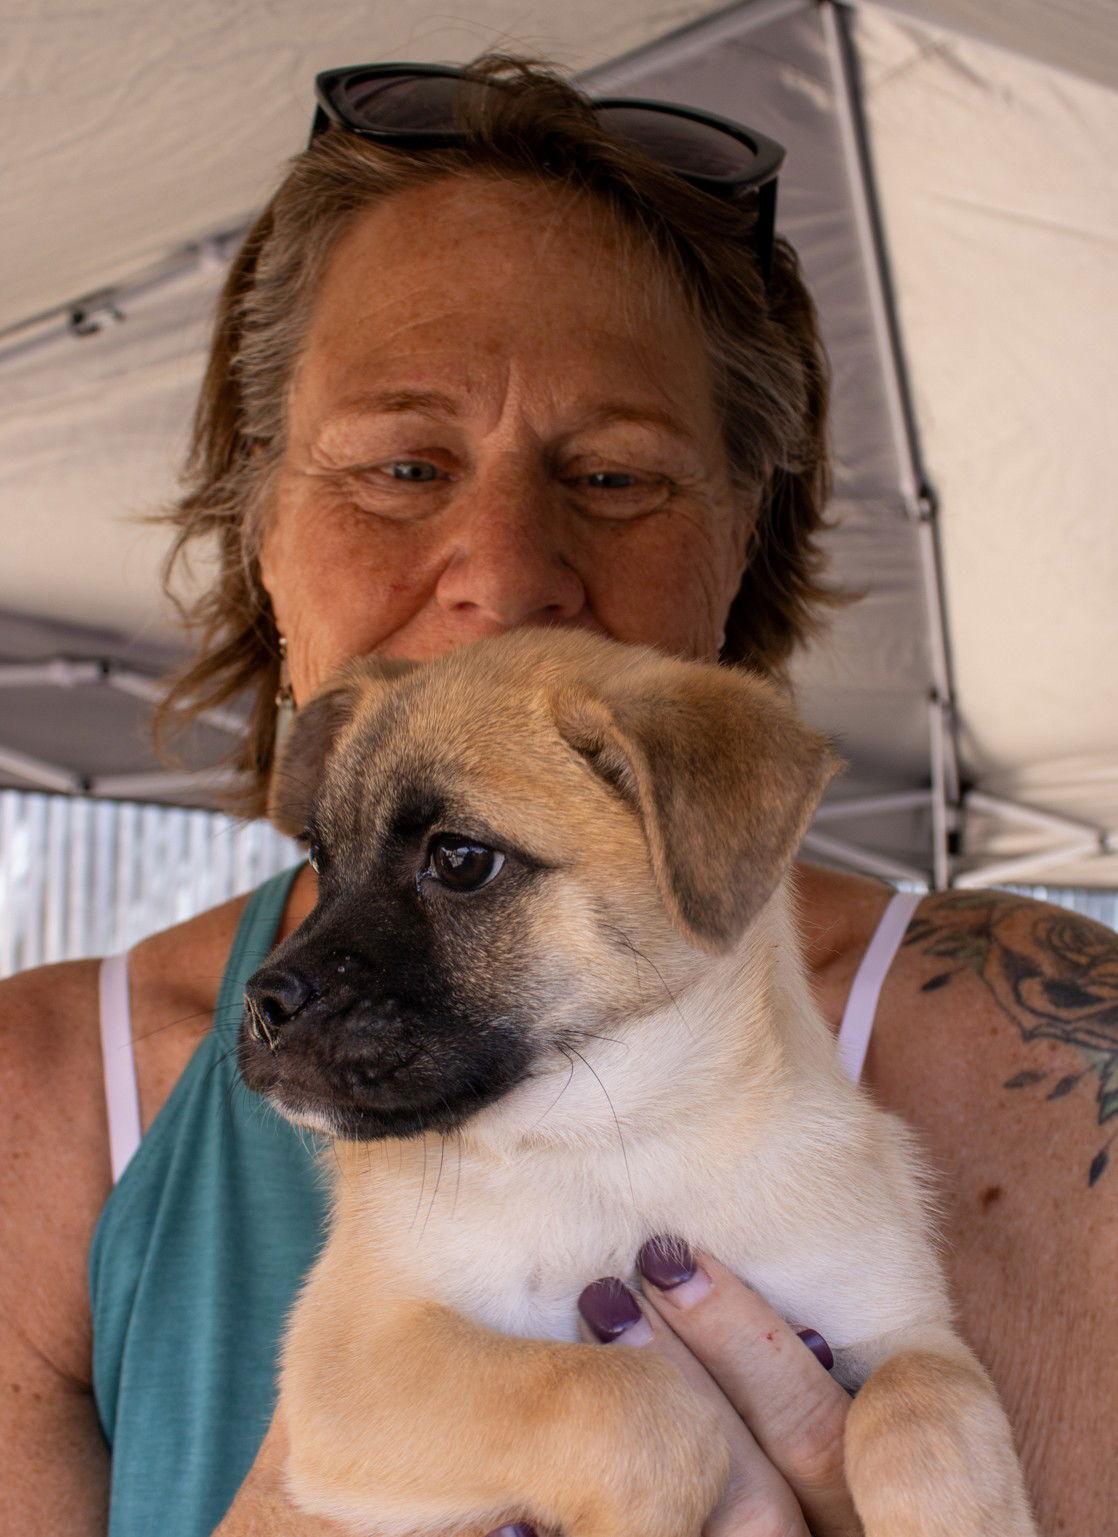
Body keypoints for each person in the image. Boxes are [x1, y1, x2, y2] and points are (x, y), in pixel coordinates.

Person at [1, 53, 1113, 1537]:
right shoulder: (42, 1103)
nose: (507, 569)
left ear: (742, 536)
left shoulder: (1050, 1048)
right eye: (401, 463)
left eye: (614, 477)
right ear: (258, 521)